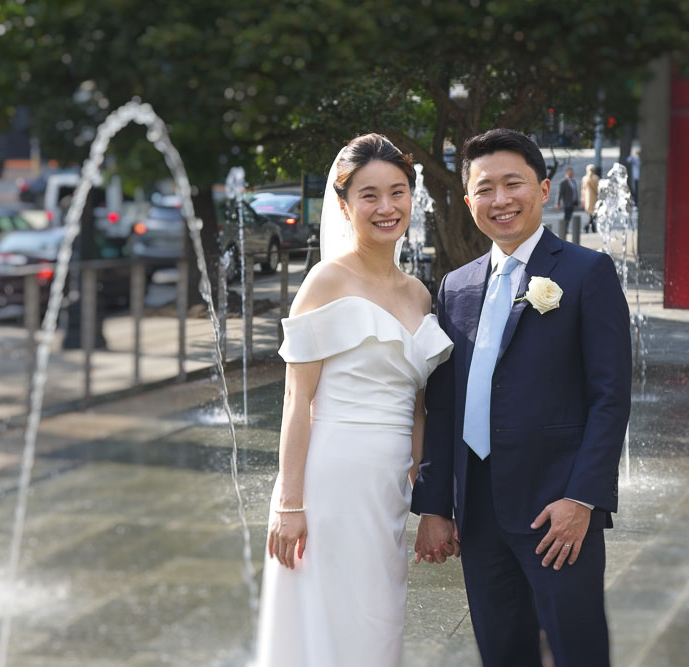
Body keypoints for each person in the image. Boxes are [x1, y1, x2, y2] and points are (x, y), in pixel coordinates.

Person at [412, 129, 631, 667]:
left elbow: (611, 397)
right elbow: (443, 405)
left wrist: (583, 499)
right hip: (478, 511)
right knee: (501, 648)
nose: (501, 200)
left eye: (514, 184)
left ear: (545, 190)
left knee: (577, 648)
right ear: (469, 203)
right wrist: (435, 505)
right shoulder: (455, 287)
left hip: (556, 509)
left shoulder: (586, 272)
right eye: (485, 189)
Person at [254, 133, 453, 667]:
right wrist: (289, 504)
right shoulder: (326, 281)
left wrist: (427, 496)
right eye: (369, 195)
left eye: (397, 192)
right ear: (344, 205)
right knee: (330, 614)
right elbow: (297, 401)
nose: (386, 207)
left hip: (388, 485)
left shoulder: (419, 293)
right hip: (331, 478)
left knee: (378, 617)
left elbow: (417, 408)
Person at [553, 166, 578, 239]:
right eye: (570, 173)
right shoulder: (563, 182)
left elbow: (575, 192)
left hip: (572, 203)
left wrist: (576, 202)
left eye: (572, 173)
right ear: (567, 173)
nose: (572, 174)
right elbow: (559, 193)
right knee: (566, 217)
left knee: (569, 217)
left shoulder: (573, 181)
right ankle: (564, 230)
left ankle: (565, 230)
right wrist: (557, 203)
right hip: (566, 203)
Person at [581, 163, 599, 233]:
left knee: (591, 214)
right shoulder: (596, 178)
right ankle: (589, 227)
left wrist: (582, 198)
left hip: (587, 198)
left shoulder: (585, 178)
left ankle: (590, 227)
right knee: (593, 214)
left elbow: (583, 189)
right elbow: (598, 189)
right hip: (594, 198)